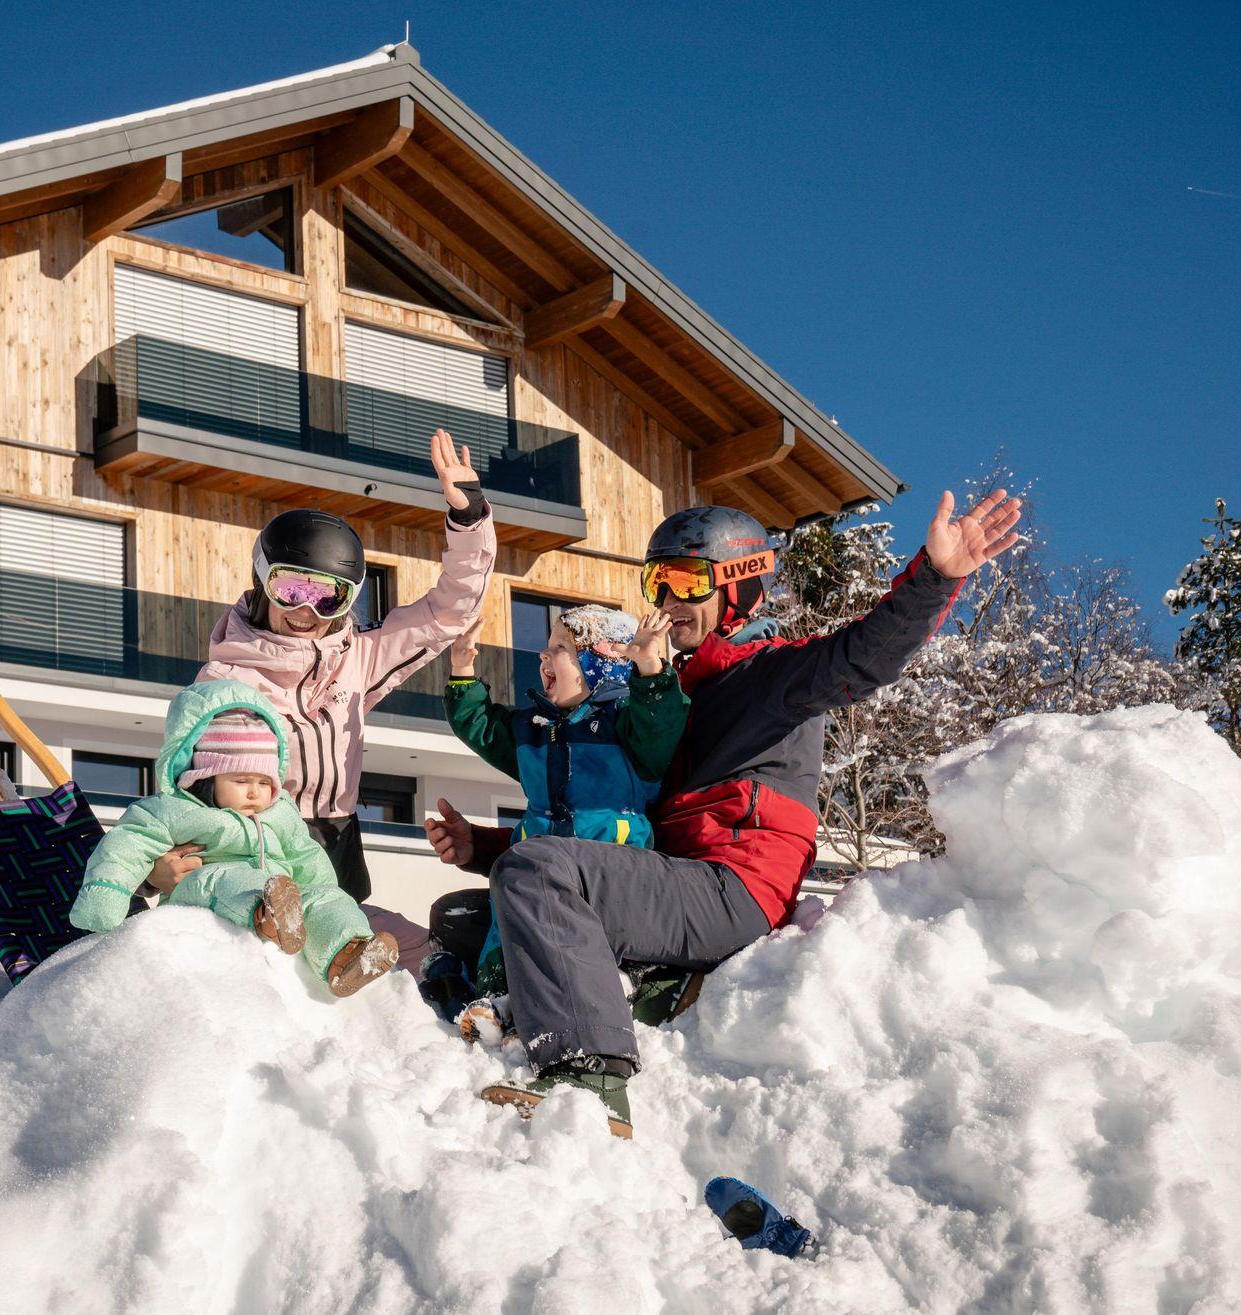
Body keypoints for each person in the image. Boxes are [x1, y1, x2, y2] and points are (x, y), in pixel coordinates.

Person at [425, 489, 1022, 1138]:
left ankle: (590, 1079)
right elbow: (611, 814)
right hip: (669, 881)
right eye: (657, 581)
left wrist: (934, 578)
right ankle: (651, 990)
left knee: (534, 878)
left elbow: (863, 656)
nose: (667, 598)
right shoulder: (667, 693)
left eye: (687, 580)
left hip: (733, 887)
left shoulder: (770, 676)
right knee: (465, 917)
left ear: (741, 587)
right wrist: (489, 850)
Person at [180, 427, 496, 917]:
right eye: (292, 589)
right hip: (260, 841)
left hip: (339, 837)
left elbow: (448, 612)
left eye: (329, 597)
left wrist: (469, 517)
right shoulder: (224, 681)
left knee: (356, 946)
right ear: (262, 580)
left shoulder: (356, 657)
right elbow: (188, 780)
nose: (307, 611)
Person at [69, 680, 400, 996]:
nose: (255, 792)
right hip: (204, 889)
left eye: (264, 782)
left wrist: (326, 894)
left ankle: (348, 954)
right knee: (228, 877)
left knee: (323, 899)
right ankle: (267, 916)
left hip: (282, 892)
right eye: (241, 780)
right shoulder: (177, 810)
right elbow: (127, 844)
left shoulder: (280, 813)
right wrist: (105, 897)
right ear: (206, 777)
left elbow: (304, 854)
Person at [433, 604, 685, 1014]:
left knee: (587, 936)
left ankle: (621, 982)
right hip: (533, 868)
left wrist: (649, 668)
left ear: (599, 663)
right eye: (547, 646)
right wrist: (462, 671)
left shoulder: (627, 726)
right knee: (508, 925)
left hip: (607, 867)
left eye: (560, 648)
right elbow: (482, 725)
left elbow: (661, 722)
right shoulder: (534, 731)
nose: (543, 655)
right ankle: (496, 1002)